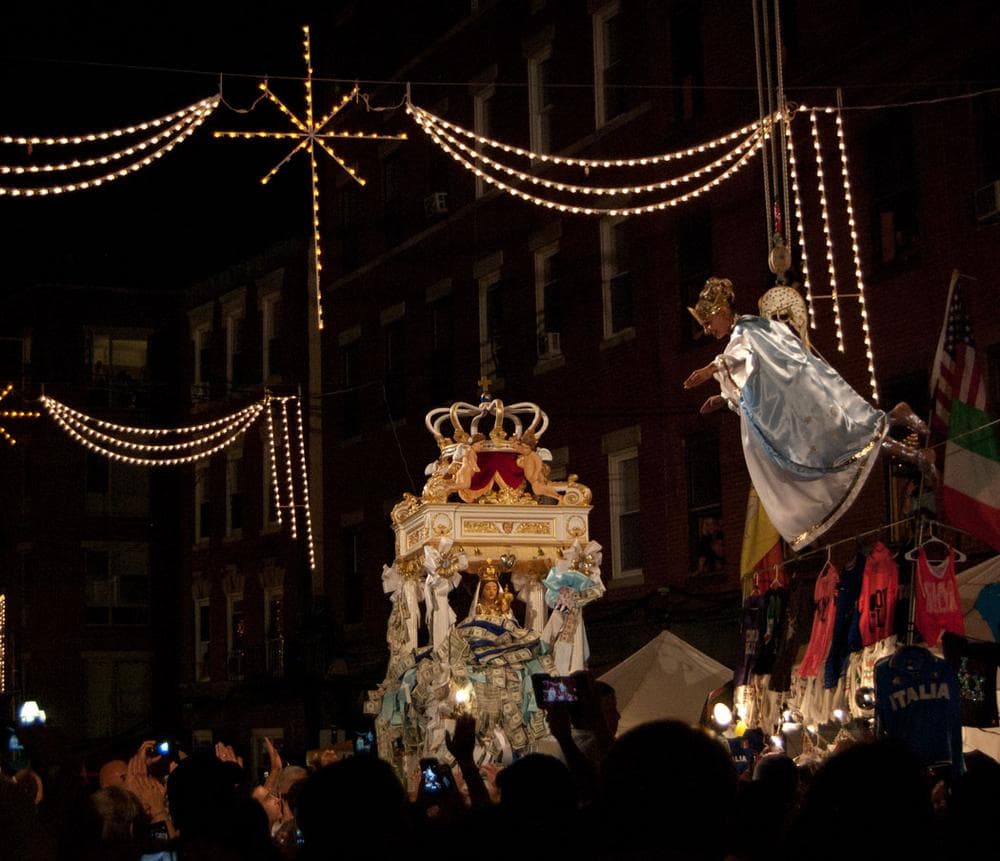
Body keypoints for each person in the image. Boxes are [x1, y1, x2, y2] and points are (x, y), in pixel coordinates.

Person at [683, 277, 933, 551]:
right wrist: (721, 399)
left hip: (799, 414)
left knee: (844, 447)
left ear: (720, 312)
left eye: (707, 323)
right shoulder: (756, 327)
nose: (707, 330)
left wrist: (711, 369)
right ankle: (910, 444)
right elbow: (754, 380)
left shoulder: (745, 332)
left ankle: (905, 434)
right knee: (855, 444)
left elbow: (741, 357)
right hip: (797, 408)